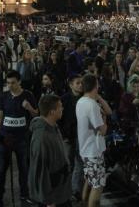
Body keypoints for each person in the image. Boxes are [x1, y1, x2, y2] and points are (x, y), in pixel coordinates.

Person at [0, 70, 38, 207]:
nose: (10, 85)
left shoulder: (28, 95)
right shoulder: (3, 97)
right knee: (0, 170)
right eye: (8, 83)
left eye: (13, 83)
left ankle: (24, 195)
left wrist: (28, 107)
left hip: (22, 139)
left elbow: (36, 114)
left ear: (19, 82)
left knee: (24, 169)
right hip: (5, 139)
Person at [28, 94, 72, 207]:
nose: (62, 109)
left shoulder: (53, 127)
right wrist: (48, 200)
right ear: (52, 111)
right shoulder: (42, 137)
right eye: (60, 107)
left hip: (61, 192)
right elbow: (40, 170)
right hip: (52, 197)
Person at [76, 74, 108, 207]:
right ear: (95, 86)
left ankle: (84, 203)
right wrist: (105, 120)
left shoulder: (81, 101)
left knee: (89, 181)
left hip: (85, 149)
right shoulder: (92, 105)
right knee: (98, 186)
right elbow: (102, 130)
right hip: (93, 151)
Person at [60, 74, 83, 201]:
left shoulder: (84, 98)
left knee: (79, 163)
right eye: (77, 83)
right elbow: (59, 118)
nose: (80, 85)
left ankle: (75, 190)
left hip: (80, 136)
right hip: (68, 136)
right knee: (68, 163)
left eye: (81, 83)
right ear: (71, 85)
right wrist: (63, 135)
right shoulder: (64, 99)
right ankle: (65, 189)